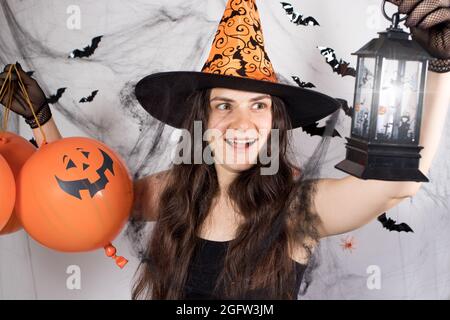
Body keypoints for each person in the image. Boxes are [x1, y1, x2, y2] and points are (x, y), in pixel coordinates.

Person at [0, 0, 449, 300]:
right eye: (224, 105)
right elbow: (84, 199)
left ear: (274, 121)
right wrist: (42, 121)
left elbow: (396, 187)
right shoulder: (171, 192)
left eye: (258, 105)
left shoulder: (297, 209)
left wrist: (442, 65)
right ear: (203, 120)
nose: (241, 123)